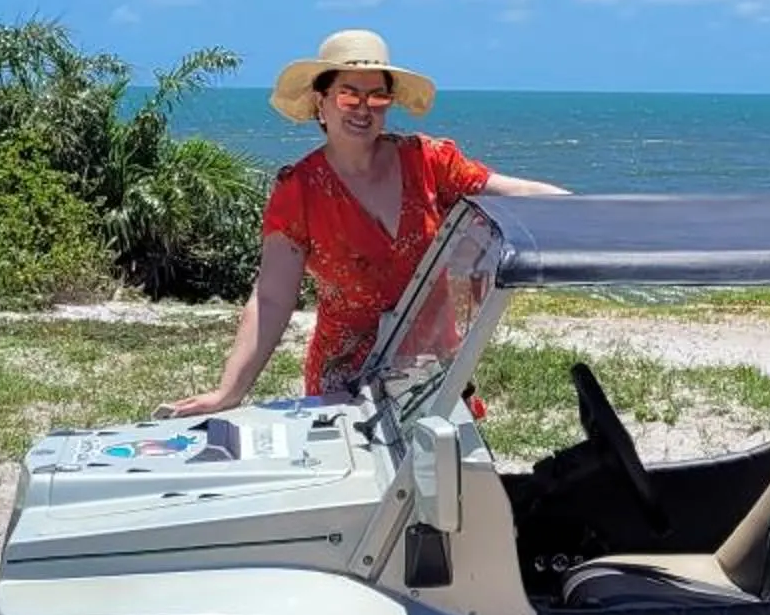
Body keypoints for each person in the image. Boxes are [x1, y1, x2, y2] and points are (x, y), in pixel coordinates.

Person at [163, 29, 566, 416]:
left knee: (449, 462)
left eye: (377, 96)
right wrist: (229, 392)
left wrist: (588, 214)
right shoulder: (299, 191)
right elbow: (272, 298)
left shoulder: (427, 161)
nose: (363, 108)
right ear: (321, 102)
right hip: (346, 382)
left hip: (432, 372)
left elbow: (509, 191)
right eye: (349, 94)